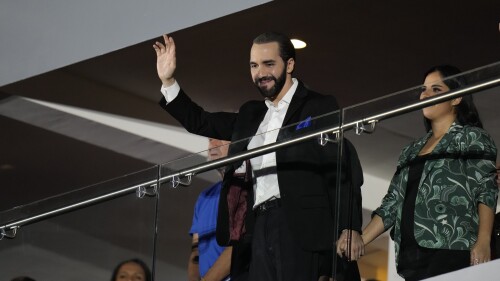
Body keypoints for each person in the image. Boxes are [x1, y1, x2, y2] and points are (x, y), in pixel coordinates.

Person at [153, 32, 364, 281]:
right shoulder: (250, 114)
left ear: (290, 65)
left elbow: (340, 169)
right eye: (254, 66)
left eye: (269, 64)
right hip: (257, 227)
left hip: (298, 225)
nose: (260, 73)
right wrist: (168, 81)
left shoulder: (318, 106)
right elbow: (200, 121)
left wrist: (349, 226)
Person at [337, 65, 498, 280]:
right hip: (410, 256)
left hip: (450, 250)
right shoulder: (411, 150)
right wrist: (359, 239)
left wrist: (483, 241)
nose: (426, 95)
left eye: (436, 89)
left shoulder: (472, 137)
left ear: (456, 99)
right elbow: (392, 204)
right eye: (424, 89)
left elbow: (486, 190)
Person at [189, 138, 232, 281]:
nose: (212, 145)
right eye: (210, 139)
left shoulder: (248, 189)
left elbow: (239, 248)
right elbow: (196, 252)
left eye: (219, 138)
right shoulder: (204, 197)